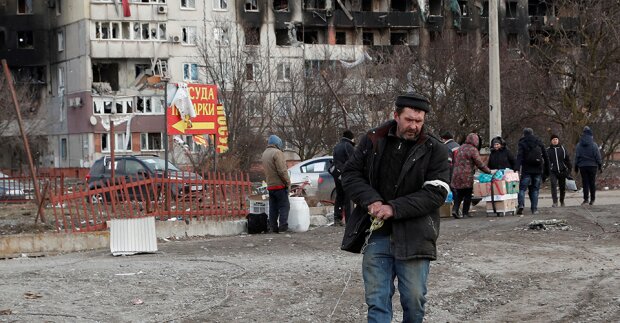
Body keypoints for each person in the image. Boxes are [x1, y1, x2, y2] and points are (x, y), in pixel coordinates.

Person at [341, 92, 450, 322]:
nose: (414, 126)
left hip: (416, 234)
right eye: (409, 120)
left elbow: (436, 193)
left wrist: (393, 208)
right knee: (377, 301)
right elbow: (350, 174)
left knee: (414, 299)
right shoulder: (372, 140)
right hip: (377, 234)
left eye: (419, 121)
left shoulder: (435, 149)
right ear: (396, 116)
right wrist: (371, 200)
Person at [451, 133, 493, 219]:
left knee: (459, 193)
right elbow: (479, 163)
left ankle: (455, 210)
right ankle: (465, 213)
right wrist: (489, 171)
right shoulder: (473, 150)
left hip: (456, 174)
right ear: (475, 141)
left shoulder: (461, 147)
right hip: (466, 175)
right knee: (468, 194)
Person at [261, 135, 291, 233]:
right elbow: (282, 170)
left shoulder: (265, 153)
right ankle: (283, 227)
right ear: (277, 143)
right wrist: (287, 182)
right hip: (280, 185)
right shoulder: (277, 153)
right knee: (284, 206)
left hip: (270, 185)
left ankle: (273, 227)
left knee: (273, 208)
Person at [516, 128, 550, 215]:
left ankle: (521, 205)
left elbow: (519, 156)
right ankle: (534, 209)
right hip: (538, 169)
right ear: (532, 133)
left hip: (526, 169)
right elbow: (546, 156)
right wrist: (547, 169)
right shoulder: (538, 142)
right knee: (535, 190)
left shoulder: (522, 143)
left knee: (522, 189)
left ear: (524, 134)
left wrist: (516, 168)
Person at [331, 129, 355, 226]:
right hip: (346, 174)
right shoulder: (348, 146)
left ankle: (337, 218)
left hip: (337, 175)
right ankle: (349, 220)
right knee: (348, 197)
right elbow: (353, 161)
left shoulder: (337, 146)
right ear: (350, 137)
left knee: (339, 196)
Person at [574, 126, 603, 205]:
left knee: (585, 183)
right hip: (593, 166)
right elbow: (597, 156)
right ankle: (592, 199)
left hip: (583, 166)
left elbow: (577, 156)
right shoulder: (594, 145)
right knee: (592, 182)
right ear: (591, 135)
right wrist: (600, 165)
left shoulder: (579, 145)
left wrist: (576, 166)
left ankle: (586, 199)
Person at [547, 134, 571, 207]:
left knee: (562, 186)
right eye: (553, 139)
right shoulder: (548, 150)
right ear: (551, 141)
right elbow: (546, 161)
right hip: (553, 171)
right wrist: (546, 171)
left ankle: (562, 201)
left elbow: (567, 160)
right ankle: (555, 201)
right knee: (553, 185)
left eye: (556, 139)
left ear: (558, 140)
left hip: (562, 170)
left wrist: (569, 169)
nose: (555, 141)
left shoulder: (563, 149)